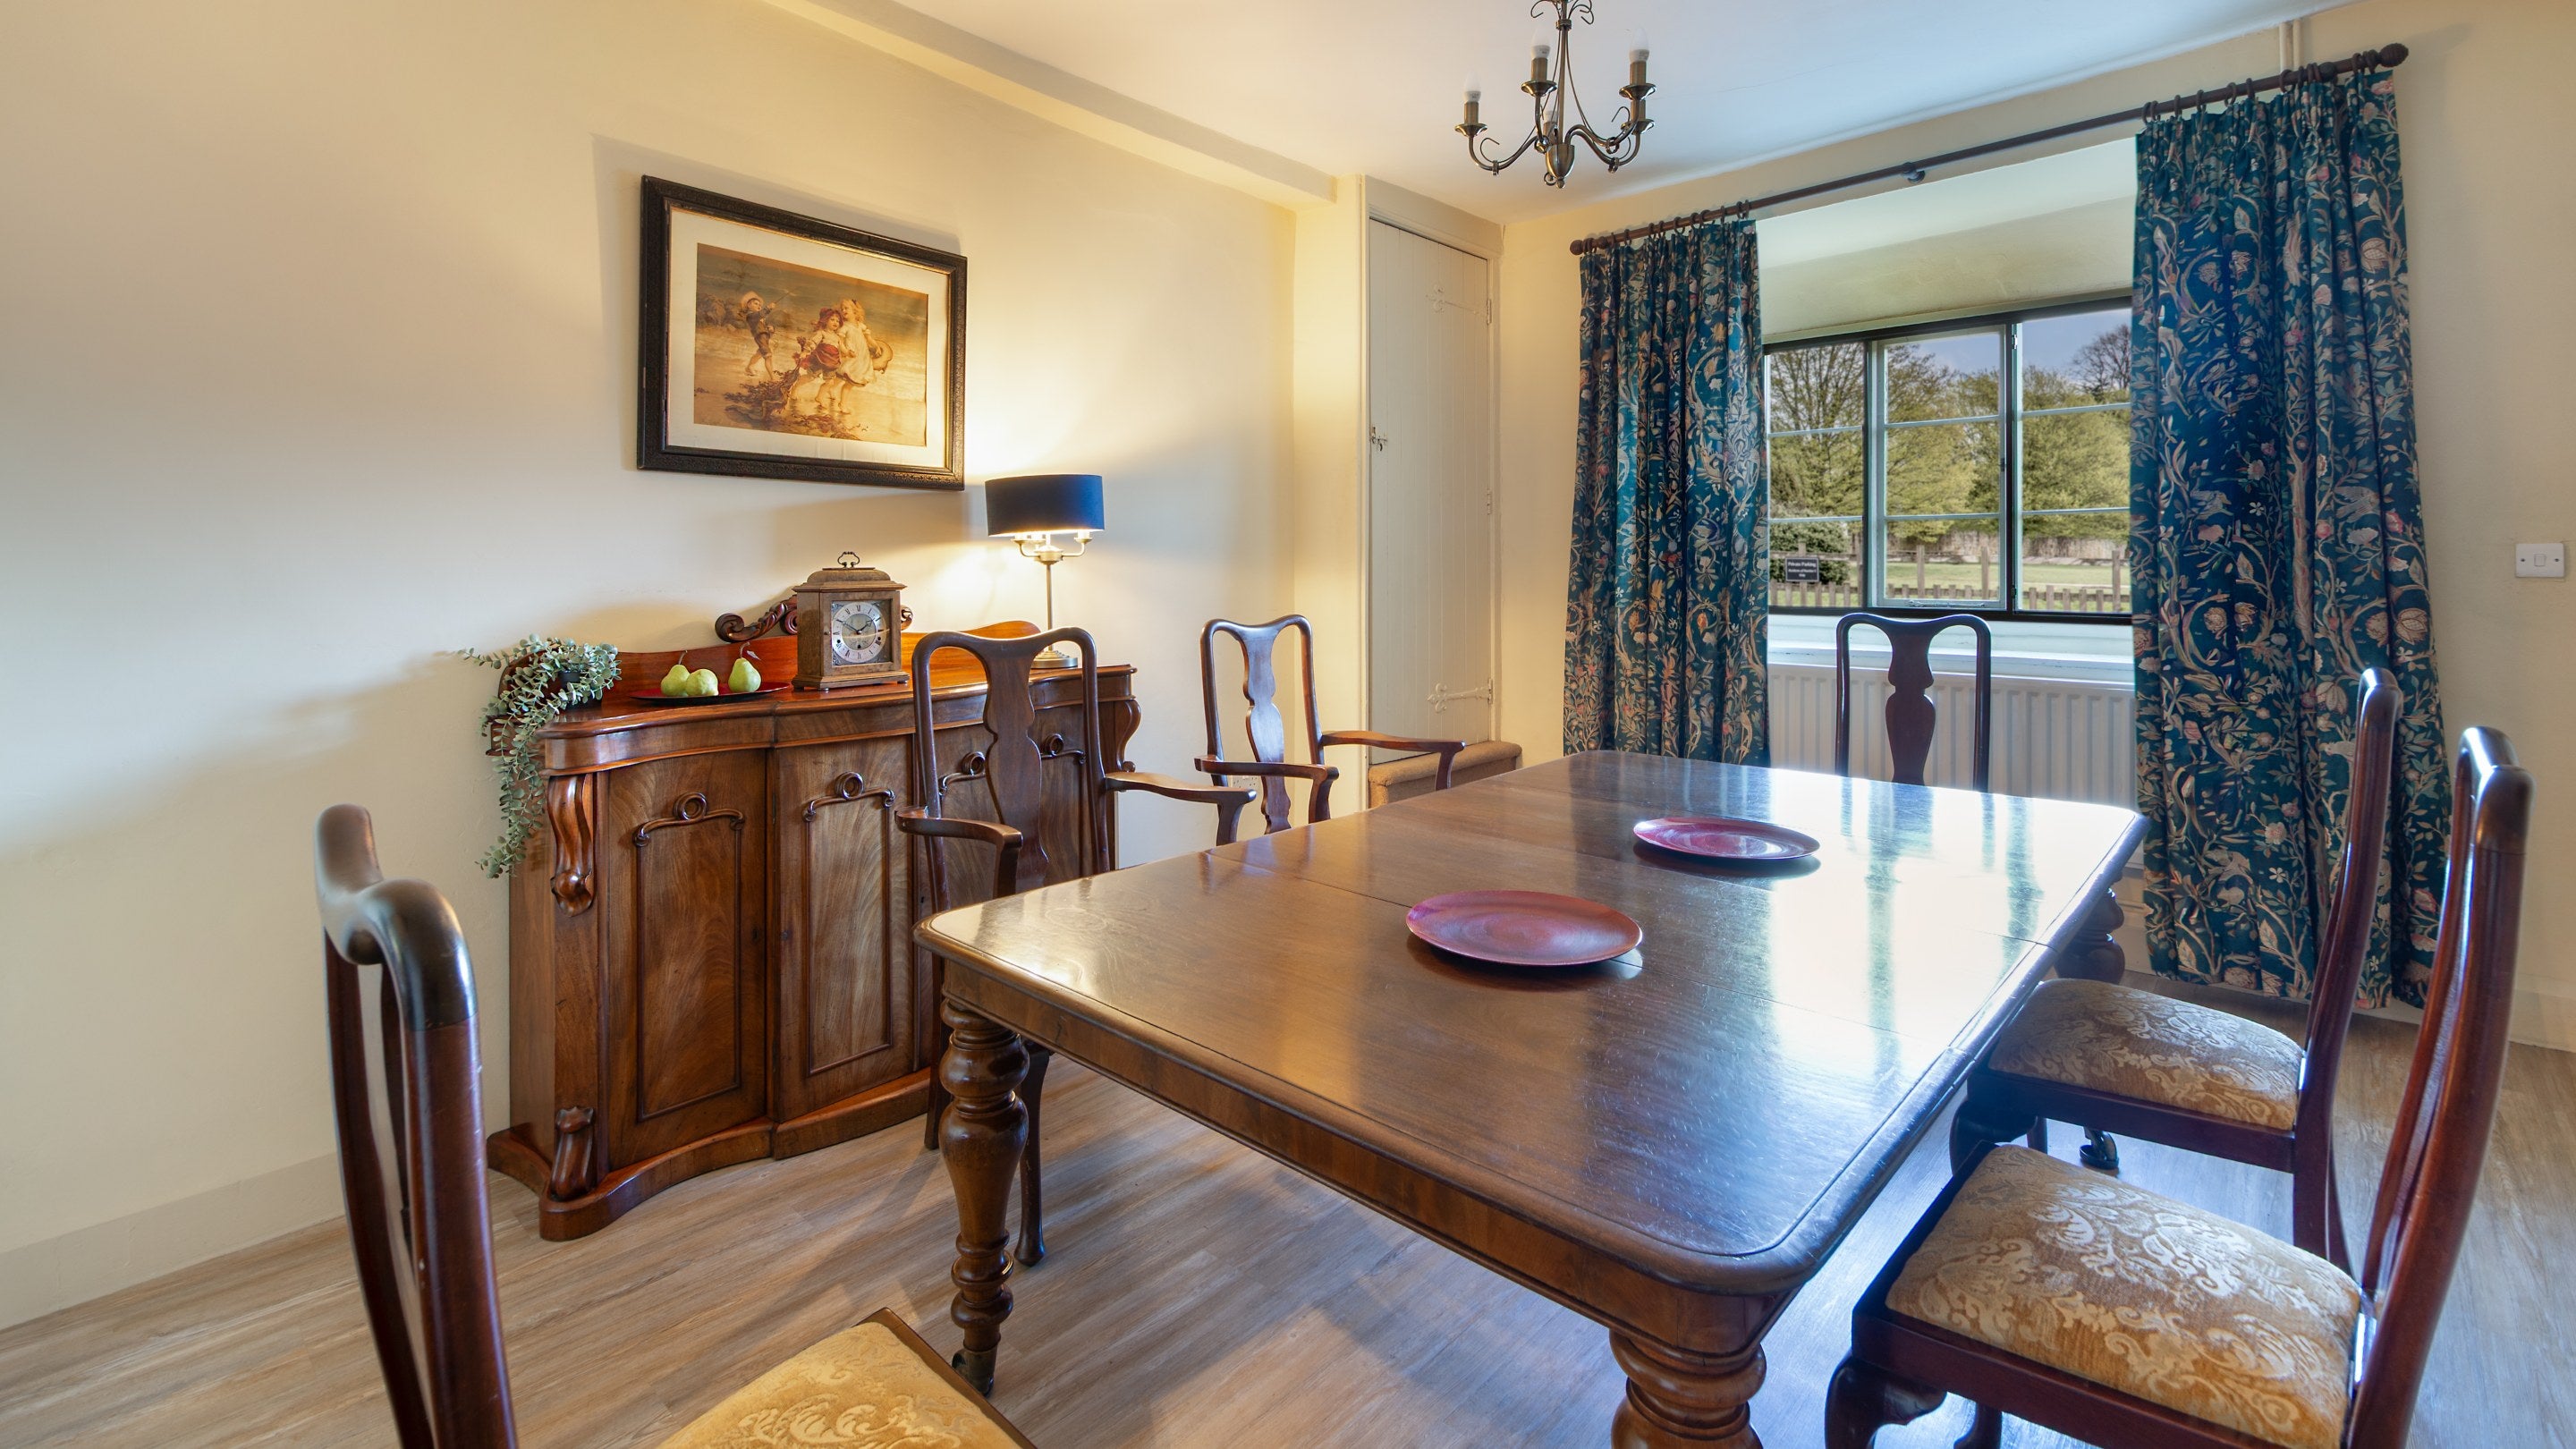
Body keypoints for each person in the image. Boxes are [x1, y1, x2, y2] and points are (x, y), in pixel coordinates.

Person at [739, 292, 778, 377]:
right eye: (756, 304)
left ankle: (749, 368)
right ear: (749, 305)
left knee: (760, 353)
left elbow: (765, 326)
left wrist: (771, 329)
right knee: (768, 356)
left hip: (765, 337)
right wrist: (768, 308)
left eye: (760, 305)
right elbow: (760, 314)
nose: (759, 306)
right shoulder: (751, 316)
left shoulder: (760, 318)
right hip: (760, 338)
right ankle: (772, 377)